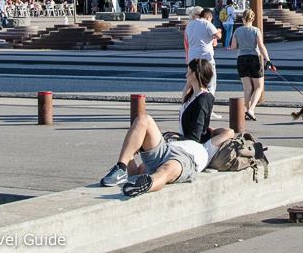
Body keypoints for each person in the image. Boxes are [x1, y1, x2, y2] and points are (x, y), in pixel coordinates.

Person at [99, 59, 233, 196]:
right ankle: (121, 168)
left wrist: (211, 132)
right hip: (170, 147)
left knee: (167, 170)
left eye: (189, 71)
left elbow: (229, 132)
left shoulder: (205, 148)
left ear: (195, 73)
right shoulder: (191, 95)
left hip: (185, 158)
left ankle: (145, 185)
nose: (186, 73)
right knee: (144, 119)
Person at [229, 9, 274, 121]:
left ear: (243, 18)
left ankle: (247, 110)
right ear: (252, 19)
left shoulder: (237, 31)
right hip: (254, 58)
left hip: (241, 59)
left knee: (247, 88)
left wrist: (243, 45)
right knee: (259, 86)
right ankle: (251, 110)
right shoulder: (256, 30)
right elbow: (261, 46)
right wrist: (267, 60)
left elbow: (233, 46)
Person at [185, 8, 222, 109]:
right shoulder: (207, 23)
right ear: (209, 17)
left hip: (192, 57)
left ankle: (185, 105)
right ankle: (207, 107)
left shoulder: (189, 25)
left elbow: (188, 41)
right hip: (206, 58)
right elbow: (218, 36)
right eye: (211, 19)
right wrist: (218, 31)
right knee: (211, 83)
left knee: (190, 83)